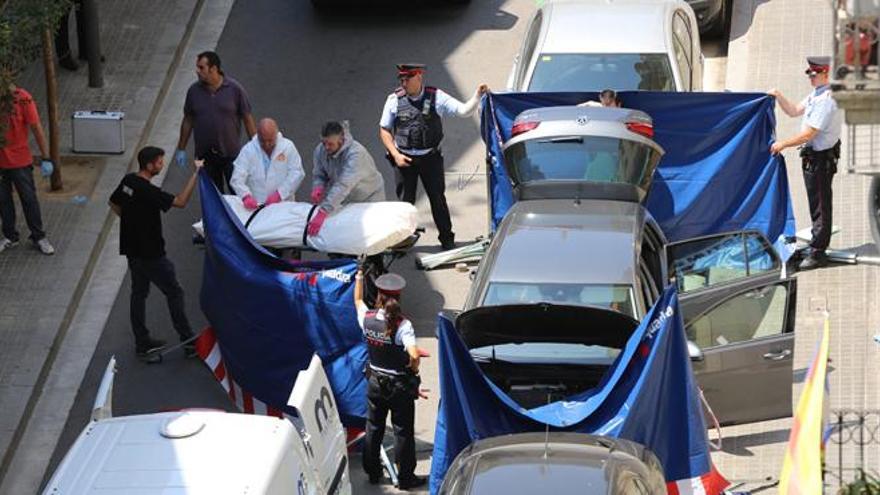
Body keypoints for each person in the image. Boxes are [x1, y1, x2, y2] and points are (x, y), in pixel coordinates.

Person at [379, 63, 489, 250]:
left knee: (437, 199)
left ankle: (447, 239)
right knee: (406, 203)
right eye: (402, 79)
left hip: (431, 159)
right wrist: (395, 155)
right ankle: (404, 239)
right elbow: (384, 129)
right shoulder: (394, 99)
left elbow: (463, 111)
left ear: (419, 76)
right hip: (404, 159)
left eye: (408, 78)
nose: (404, 83)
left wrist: (478, 95)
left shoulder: (436, 96)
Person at [108, 146, 202, 358]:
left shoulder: (128, 182)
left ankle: (142, 342)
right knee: (174, 292)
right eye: (159, 162)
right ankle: (188, 340)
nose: (161, 165)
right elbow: (181, 201)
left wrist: (130, 222)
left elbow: (113, 202)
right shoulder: (149, 192)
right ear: (149, 165)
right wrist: (196, 174)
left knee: (139, 293)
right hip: (152, 255)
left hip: (132, 251)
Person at [768, 56, 843, 270]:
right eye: (809, 72)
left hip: (820, 160)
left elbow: (808, 134)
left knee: (820, 205)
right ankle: (816, 242)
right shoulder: (817, 94)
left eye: (814, 73)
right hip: (814, 158)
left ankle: (819, 252)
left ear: (826, 73)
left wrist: (782, 144)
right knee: (816, 204)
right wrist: (778, 95)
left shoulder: (827, 99)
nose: (810, 76)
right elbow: (793, 111)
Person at [355, 270, 426, 490]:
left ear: (378, 295)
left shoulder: (366, 317)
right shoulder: (402, 325)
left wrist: (358, 278)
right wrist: (413, 367)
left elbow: (358, 300)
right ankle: (405, 478)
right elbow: (414, 354)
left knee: (374, 426)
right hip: (399, 386)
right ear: (399, 296)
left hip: (375, 381)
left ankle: (373, 472)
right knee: (402, 431)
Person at [176, 51, 256, 194]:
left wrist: (256, 146)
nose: (197, 71)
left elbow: (247, 118)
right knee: (212, 196)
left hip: (231, 155)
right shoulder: (193, 91)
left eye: (201, 68)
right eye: (197, 67)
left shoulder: (234, 89)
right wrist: (181, 148)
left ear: (213, 69)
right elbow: (188, 119)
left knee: (237, 194)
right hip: (205, 156)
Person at [0, 81, 55, 255]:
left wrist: (46, 157)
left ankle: (38, 236)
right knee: (3, 201)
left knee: (29, 199)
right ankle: (10, 236)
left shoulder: (24, 99)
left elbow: (36, 127)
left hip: (20, 161)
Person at [307, 121, 385, 236]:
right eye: (324, 143)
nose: (326, 147)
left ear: (341, 141)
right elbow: (319, 173)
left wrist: (323, 211)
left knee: (371, 234)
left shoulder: (356, 154)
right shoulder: (320, 150)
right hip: (345, 199)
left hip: (368, 197)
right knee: (345, 234)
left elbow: (343, 185)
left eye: (330, 144)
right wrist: (318, 186)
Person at [230, 118, 304, 209]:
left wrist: (280, 194)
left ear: (276, 134)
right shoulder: (248, 150)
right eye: (263, 141)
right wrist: (246, 196)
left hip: (284, 204)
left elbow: (297, 173)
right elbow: (236, 178)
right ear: (258, 135)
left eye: (270, 140)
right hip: (257, 207)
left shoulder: (288, 147)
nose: (267, 145)